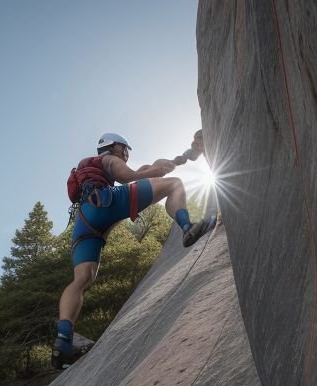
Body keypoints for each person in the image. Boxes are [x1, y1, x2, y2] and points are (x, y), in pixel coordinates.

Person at [52, 132, 215, 370]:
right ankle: (187, 228)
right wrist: (155, 171)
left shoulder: (84, 169)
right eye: (124, 149)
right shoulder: (108, 159)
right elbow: (130, 177)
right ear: (114, 146)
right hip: (107, 201)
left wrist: (169, 162)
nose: (126, 153)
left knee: (82, 279)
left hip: (84, 220)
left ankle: (63, 340)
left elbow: (148, 169)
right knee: (175, 184)